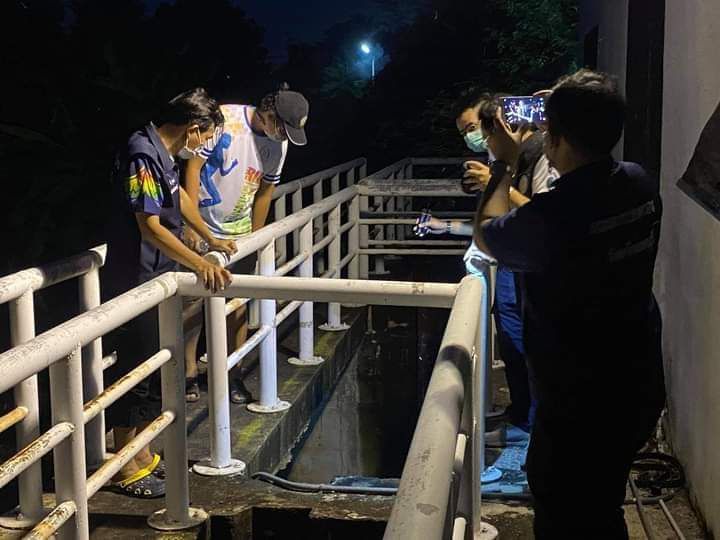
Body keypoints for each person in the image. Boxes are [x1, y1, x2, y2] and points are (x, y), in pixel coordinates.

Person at [473, 69, 665, 538]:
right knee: (602, 509)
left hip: (577, 405)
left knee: (565, 515)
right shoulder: (638, 183)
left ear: (555, 139)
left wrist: (503, 164)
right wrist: (566, 105)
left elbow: (487, 233)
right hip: (635, 385)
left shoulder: (555, 215)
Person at [102, 88, 237, 498]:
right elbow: (150, 226)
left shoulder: (163, 153)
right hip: (135, 279)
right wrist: (200, 264)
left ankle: (142, 452)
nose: (205, 145)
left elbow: (179, 198)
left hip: (157, 277)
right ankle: (126, 465)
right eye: (206, 136)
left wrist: (210, 238)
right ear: (192, 128)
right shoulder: (142, 153)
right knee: (135, 372)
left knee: (154, 367)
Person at [429, 90, 557, 444]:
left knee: (528, 344)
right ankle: (523, 415)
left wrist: (499, 177)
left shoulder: (540, 156)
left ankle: (530, 425)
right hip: (516, 258)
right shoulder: (629, 181)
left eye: (481, 130)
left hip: (534, 265)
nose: (478, 138)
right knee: (514, 340)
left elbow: (539, 217)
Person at [183, 83, 310, 403]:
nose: (284, 137)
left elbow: (266, 192)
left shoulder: (279, 145)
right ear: (270, 114)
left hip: (239, 234)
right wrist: (191, 225)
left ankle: (233, 374)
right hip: (203, 226)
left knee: (237, 307)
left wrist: (256, 237)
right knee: (192, 304)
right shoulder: (223, 119)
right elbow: (193, 169)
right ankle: (188, 373)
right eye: (283, 129)